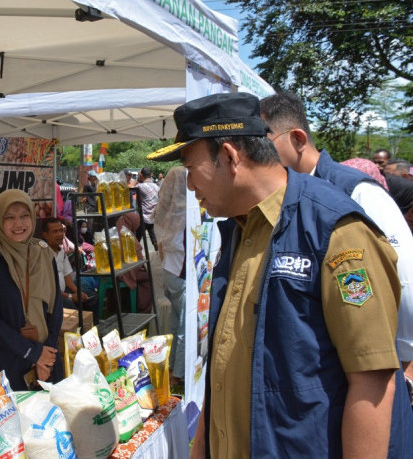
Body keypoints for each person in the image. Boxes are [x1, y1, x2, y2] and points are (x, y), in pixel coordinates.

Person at [147, 92, 412, 457]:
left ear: (229, 156)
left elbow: (372, 381)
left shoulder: (334, 231)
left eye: (191, 170)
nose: (190, 187)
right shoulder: (238, 229)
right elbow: (224, 371)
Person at [261, 92, 413, 381]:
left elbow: (405, 274)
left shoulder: (357, 192)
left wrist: (407, 360)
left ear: (297, 139)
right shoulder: (283, 196)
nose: (259, 156)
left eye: (265, 145)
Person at [0, 190, 63, 390]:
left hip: (46, 363)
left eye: (24, 216)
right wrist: (33, 352)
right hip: (5, 364)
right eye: (10, 218)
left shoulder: (44, 252)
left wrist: (45, 356)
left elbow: (56, 308)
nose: (19, 224)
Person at [152, 166, 186, 387]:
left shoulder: (165, 209)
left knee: (175, 323)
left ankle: (173, 366)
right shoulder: (183, 210)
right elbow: (179, 243)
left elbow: (162, 241)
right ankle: (179, 374)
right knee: (183, 325)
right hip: (180, 270)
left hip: (170, 270)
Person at [41, 218, 99, 324]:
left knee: (92, 298)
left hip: (64, 292)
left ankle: (93, 331)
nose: (60, 234)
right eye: (55, 232)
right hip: (51, 297)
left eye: (61, 231)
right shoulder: (42, 254)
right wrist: (71, 297)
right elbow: (49, 289)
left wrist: (78, 292)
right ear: (45, 235)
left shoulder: (61, 252)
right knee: (71, 307)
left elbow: (67, 277)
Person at [114, 213, 153, 314]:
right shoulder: (128, 236)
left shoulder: (116, 233)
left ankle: (128, 303)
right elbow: (139, 260)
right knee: (149, 277)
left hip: (117, 269)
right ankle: (144, 308)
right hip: (125, 271)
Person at [135, 167, 159, 251]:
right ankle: (159, 256)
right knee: (154, 239)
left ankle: (136, 257)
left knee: (136, 239)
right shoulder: (156, 186)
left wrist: (138, 178)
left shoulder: (140, 186)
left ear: (141, 175)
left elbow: (131, 191)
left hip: (144, 218)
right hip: (153, 218)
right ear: (151, 175)